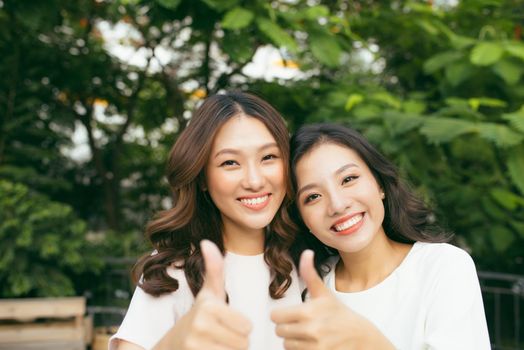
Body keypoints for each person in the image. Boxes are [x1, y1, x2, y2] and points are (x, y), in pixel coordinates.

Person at [110, 91, 302, 350]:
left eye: (268, 157)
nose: (255, 181)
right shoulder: (174, 269)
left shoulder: (309, 258)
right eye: (230, 162)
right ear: (202, 178)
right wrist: (176, 341)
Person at [272, 123, 491, 349]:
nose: (337, 205)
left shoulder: (443, 266)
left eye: (348, 179)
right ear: (302, 219)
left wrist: (368, 341)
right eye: (313, 196)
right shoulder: (305, 290)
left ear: (380, 185)